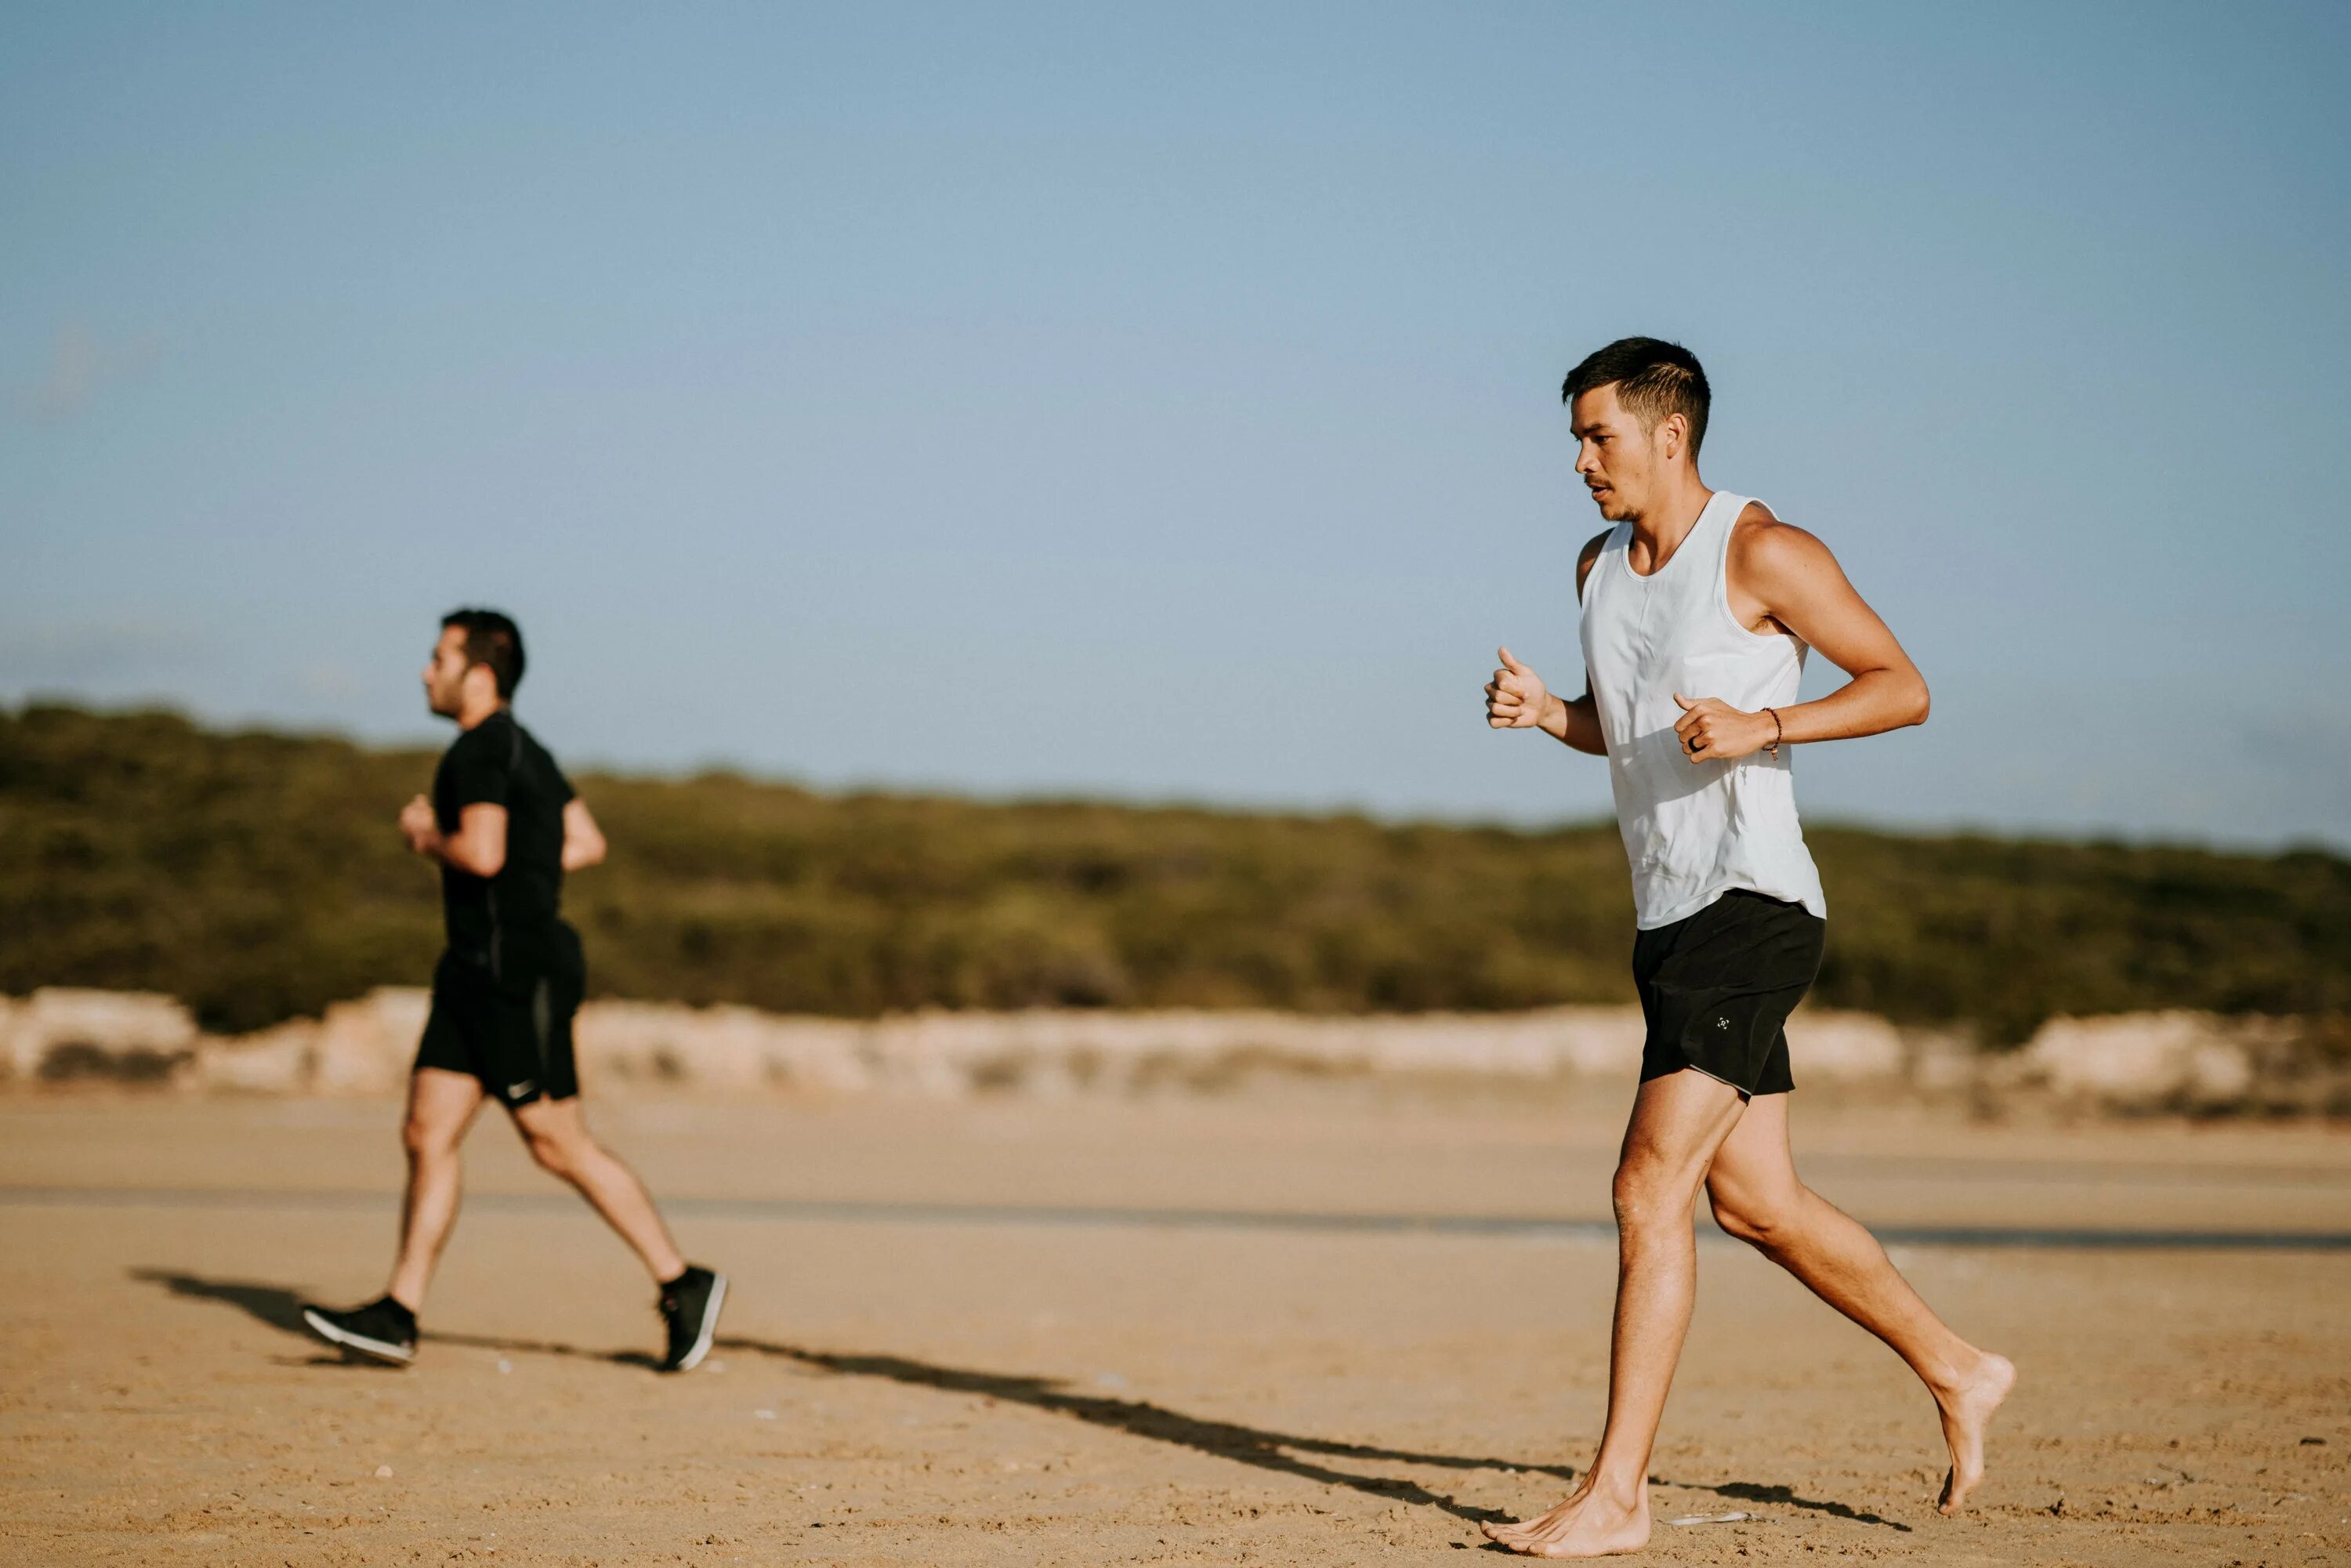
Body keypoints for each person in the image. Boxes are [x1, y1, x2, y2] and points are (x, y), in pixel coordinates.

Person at [1477, 339, 2012, 1556]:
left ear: (1671, 434)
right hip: (1667, 916)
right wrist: (1548, 715)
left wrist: (1768, 719)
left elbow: (1902, 684)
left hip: (1753, 906)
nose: (1579, 461)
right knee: (1755, 1202)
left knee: (1645, 1187)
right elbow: (1623, 738)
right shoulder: (1597, 566)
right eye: (1574, 437)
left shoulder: (1763, 551)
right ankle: (1959, 1365)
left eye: (1597, 436)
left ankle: (1617, 1495)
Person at [301, 609, 727, 1373]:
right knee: (426, 1131)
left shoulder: (478, 751)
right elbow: (586, 843)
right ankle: (398, 1313)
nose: (425, 672)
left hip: (514, 974)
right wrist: (527, 862)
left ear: (480, 673)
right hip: (471, 970)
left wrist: (425, 837)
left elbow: (484, 853)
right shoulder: (529, 751)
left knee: (556, 1143)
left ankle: (682, 1280)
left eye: (438, 659)